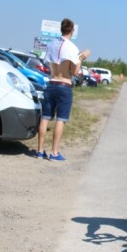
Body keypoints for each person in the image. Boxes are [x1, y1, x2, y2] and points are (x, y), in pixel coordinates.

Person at [36, 18, 90, 161]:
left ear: (61, 29)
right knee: (60, 119)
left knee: (45, 118)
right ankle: (54, 152)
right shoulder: (72, 47)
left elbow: (48, 64)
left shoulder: (51, 44)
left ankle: (40, 151)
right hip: (64, 85)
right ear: (72, 31)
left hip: (51, 82)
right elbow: (74, 72)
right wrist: (82, 58)